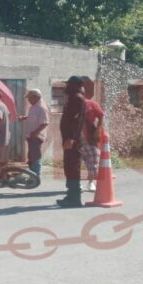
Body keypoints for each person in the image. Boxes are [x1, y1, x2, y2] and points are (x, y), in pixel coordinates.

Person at [57, 76, 87, 207]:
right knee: (69, 167)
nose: (66, 87)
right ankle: (71, 196)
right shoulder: (73, 97)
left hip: (72, 140)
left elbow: (76, 121)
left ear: (75, 85)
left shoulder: (77, 98)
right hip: (70, 138)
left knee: (73, 167)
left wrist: (71, 138)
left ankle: (74, 199)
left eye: (69, 84)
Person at [80, 81, 105, 192]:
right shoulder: (70, 105)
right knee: (75, 162)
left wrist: (98, 130)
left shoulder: (92, 104)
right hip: (76, 138)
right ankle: (76, 183)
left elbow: (101, 116)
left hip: (89, 137)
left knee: (93, 160)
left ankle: (91, 182)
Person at [18, 89, 49, 178]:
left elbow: (45, 122)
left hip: (36, 136)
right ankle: (32, 175)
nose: (28, 100)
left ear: (35, 97)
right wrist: (24, 117)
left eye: (30, 98)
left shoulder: (41, 108)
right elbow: (34, 118)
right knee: (31, 156)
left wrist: (35, 132)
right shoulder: (34, 107)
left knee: (35, 157)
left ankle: (36, 176)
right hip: (31, 136)